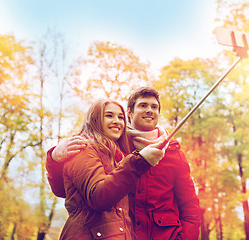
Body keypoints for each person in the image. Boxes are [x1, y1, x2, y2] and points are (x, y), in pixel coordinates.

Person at [46, 87, 201, 239]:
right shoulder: (112, 146)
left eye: (154, 107)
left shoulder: (173, 153)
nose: (149, 110)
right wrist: (54, 157)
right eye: (143, 105)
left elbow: (190, 205)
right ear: (130, 112)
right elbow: (67, 191)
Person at [53, 98, 166, 239]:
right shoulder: (83, 148)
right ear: (95, 119)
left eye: (120, 117)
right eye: (109, 115)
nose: (116, 121)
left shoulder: (116, 155)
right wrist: (139, 161)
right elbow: (98, 197)